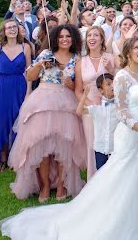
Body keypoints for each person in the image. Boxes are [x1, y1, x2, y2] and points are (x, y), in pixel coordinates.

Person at [0, 37, 138, 240]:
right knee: (121, 177)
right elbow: (122, 112)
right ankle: (112, 219)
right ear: (128, 53)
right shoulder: (121, 76)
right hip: (131, 136)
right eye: (137, 48)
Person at [8, 24, 86, 202]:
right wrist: (40, 65)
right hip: (42, 101)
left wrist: (70, 84)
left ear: (73, 39)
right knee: (41, 146)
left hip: (65, 103)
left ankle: (60, 185)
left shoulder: (77, 59)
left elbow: (78, 86)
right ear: (55, 39)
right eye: (61, 37)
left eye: (68, 36)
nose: (64, 39)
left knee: (63, 146)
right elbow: (30, 76)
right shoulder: (45, 54)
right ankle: (43, 185)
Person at [0, 20, 32, 171]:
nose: (12, 29)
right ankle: (3, 158)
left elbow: (29, 70)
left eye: (14, 27)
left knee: (19, 121)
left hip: (20, 85)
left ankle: (16, 157)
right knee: (2, 122)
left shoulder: (25, 47)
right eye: (9, 27)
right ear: (4, 30)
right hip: (2, 87)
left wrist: (29, 91)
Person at [74, 25, 117, 180]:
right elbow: (78, 90)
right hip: (90, 109)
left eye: (96, 35)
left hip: (110, 107)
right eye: (89, 35)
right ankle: (94, 180)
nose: (92, 38)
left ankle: (113, 179)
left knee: (111, 142)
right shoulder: (81, 62)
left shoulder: (110, 58)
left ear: (102, 39)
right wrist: (89, 103)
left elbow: (118, 83)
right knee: (92, 143)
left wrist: (110, 68)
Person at [76, 73, 118, 171]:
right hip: (100, 147)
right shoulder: (97, 108)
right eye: (108, 84)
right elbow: (79, 111)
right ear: (101, 90)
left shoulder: (120, 107)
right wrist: (85, 95)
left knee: (115, 173)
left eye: (114, 83)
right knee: (101, 174)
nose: (112, 86)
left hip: (116, 147)